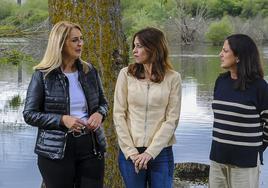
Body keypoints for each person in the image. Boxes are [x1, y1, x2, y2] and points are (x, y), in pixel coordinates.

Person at [23, 21, 108, 188]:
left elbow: (103, 103)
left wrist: (99, 114)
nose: (80, 43)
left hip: (91, 147)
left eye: (81, 39)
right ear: (60, 44)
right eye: (74, 40)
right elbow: (29, 114)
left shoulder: (89, 71)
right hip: (55, 152)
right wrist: (62, 120)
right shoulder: (42, 75)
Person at [113, 27, 182, 188]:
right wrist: (131, 152)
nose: (134, 51)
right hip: (131, 153)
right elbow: (118, 114)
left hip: (161, 152)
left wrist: (150, 152)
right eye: (134, 46)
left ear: (153, 48)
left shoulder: (173, 78)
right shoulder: (126, 74)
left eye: (139, 46)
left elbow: (172, 120)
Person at [209, 34, 268, 188]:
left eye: (225, 51)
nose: (220, 54)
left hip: (245, 161)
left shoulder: (260, 87)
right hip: (217, 157)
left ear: (239, 56)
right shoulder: (220, 82)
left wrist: (255, 148)